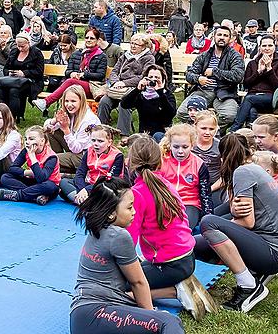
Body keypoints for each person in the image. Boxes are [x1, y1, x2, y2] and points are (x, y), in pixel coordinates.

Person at [194, 134, 278, 312]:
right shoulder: (253, 168)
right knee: (195, 243)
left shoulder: (242, 172)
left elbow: (247, 222)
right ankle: (254, 273)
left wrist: (217, 226)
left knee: (209, 224)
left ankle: (248, 285)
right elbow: (231, 210)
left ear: (223, 157)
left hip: (274, 253)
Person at [70, 177, 187, 334]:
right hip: (96, 313)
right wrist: (152, 316)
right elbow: (138, 282)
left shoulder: (97, 228)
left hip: (81, 316)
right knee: (168, 321)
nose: (134, 212)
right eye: (130, 207)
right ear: (111, 214)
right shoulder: (119, 236)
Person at [123, 136, 213, 317]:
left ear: (131, 163)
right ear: (159, 161)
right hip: (186, 257)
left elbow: (128, 240)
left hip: (170, 265)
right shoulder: (166, 184)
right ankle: (177, 282)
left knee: (119, 286)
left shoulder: (137, 193)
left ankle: (174, 291)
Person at [175, 25, 244, 129]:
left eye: (225, 35)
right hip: (203, 91)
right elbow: (189, 74)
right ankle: (199, 132)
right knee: (182, 112)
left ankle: (212, 131)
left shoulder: (235, 56)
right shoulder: (205, 55)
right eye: (219, 35)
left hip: (225, 93)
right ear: (213, 37)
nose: (222, 37)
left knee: (229, 116)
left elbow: (238, 75)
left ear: (230, 39)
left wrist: (214, 71)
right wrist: (198, 79)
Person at [95, 34, 155, 136]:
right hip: (118, 88)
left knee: (125, 103)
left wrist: (124, 83)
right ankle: (101, 130)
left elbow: (144, 77)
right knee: (104, 101)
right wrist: (116, 83)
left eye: (137, 44)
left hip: (137, 89)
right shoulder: (125, 56)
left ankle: (123, 134)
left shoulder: (149, 58)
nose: (133, 46)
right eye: (131, 43)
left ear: (144, 46)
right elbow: (114, 72)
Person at [157, 124, 212, 230]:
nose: (180, 151)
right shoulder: (161, 161)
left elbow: (205, 194)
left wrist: (207, 217)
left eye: (185, 147)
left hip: (189, 203)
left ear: (192, 145)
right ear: (170, 145)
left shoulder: (199, 164)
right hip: (165, 202)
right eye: (176, 147)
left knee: (182, 228)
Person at [230, 35, 278, 132]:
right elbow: (246, 84)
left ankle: (234, 129)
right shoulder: (252, 63)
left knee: (249, 99)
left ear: (274, 47)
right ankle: (253, 134)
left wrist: (269, 69)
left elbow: (277, 85)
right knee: (252, 111)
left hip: (269, 97)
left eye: (270, 45)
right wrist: (258, 72)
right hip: (253, 95)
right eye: (264, 46)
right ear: (260, 47)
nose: (267, 48)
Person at [43, 84, 101, 174]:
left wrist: (66, 130)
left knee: (48, 159)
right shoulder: (72, 113)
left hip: (86, 155)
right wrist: (55, 120)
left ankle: (62, 165)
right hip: (76, 149)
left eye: (73, 101)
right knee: (52, 131)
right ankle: (59, 162)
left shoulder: (89, 120)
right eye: (66, 101)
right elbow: (46, 128)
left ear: (81, 101)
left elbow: (77, 149)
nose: (69, 105)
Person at [58, 125, 124, 204]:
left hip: (106, 187)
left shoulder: (117, 156)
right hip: (89, 185)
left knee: (110, 194)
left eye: (100, 141)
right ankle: (85, 201)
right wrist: (82, 190)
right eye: (93, 140)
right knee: (64, 182)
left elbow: (110, 180)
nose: (95, 144)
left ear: (109, 142)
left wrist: (87, 189)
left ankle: (82, 201)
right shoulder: (89, 151)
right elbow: (80, 173)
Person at [0, 125, 60, 205]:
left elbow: (42, 178)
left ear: (42, 141)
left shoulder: (51, 157)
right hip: (34, 182)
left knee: (49, 187)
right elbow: (12, 168)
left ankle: (18, 195)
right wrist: (27, 172)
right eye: (26, 139)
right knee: (5, 177)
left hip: (46, 184)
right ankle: (35, 196)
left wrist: (33, 157)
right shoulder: (26, 151)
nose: (27, 142)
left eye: (31, 139)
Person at [0, 31, 44, 121]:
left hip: (31, 81)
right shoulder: (14, 51)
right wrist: (9, 73)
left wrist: (24, 73)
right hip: (13, 80)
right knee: (0, 90)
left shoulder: (36, 53)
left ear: (28, 43)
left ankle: (12, 118)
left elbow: (39, 71)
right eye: (18, 46)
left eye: (22, 46)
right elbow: (5, 68)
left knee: (13, 91)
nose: (20, 48)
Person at [120, 64, 175, 140]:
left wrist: (160, 92)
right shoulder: (141, 95)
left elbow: (170, 115)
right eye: (150, 77)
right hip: (144, 134)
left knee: (157, 136)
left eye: (157, 78)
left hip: (161, 135)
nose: (153, 80)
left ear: (163, 80)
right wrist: (137, 89)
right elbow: (124, 104)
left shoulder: (167, 95)